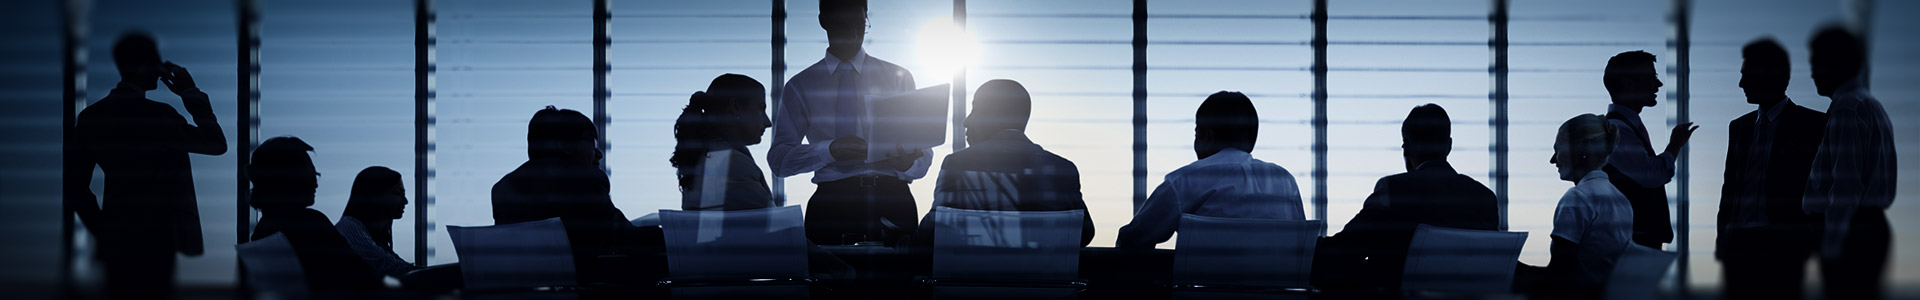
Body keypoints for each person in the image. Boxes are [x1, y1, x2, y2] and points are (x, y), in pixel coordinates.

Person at [64, 32, 227, 300]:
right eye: (156, 62)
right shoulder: (159, 116)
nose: (161, 70)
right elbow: (216, 144)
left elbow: (75, 187)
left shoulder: (91, 117)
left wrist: (104, 231)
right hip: (157, 236)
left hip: (117, 235)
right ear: (143, 65)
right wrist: (190, 93)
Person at [768, 0, 929, 245]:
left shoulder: (899, 77)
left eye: (861, 25)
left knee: (897, 280)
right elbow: (779, 161)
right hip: (831, 204)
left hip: (893, 199)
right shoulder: (800, 86)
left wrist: (908, 164)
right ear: (823, 22)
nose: (855, 34)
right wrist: (829, 150)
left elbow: (924, 156)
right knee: (829, 282)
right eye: (844, 25)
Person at [1314, 104, 1499, 290]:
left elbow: (1344, 252)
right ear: (1449, 146)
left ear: (1407, 146)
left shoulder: (1395, 190)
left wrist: (1301, 245)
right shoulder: (1485, 199)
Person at [907, 79, 1095, 249]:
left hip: (973, 284)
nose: (966, 121)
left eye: (975, 110)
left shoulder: (958, 164)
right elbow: (1084, 233)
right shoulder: (1062, 169)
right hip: (1040, 285)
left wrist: (897, 243)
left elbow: (931, 234)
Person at [1116, 91, 1304, 250]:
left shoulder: (1186, 180)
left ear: (1206, 136)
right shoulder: (1285, 181)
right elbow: (1302, 244)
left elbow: (1133, 240)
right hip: (1276, 293)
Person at [492, 106, 657, 285]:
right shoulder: (584, 180)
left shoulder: (502, 189)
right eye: (592, 144)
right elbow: (628, 239)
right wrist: (671, 236)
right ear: (567, 146)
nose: (599, 154)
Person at [1715, 38, 1826, 300]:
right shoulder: (1739, 127)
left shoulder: (1813, 124)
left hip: (1783, 247)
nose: (1741, 84)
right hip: (1739, 246)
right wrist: (1723, 238)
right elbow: (1730, 187)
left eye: (1746, 75)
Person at [1802, 25, 1895, 300]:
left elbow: (1845, 187)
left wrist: (1831, 247)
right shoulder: (1870, 105)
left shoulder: (1846, 108)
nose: (1812, 72)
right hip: (1866, 229)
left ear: (1836, 64)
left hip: (1852, 233)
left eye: (1817, 63)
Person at [247, 137, 384, 294]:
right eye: (311, 174)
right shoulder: (309, 223)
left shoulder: (261, 234)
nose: (316, 183)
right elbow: (365, 279)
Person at [1598, 50, 1697, 249]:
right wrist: (1675, 145)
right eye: (1652, 78)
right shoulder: (1618, 131)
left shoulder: (1625, 127)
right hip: (1632, 243)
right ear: (1629, 84)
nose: (1658, 85)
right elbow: (1651, 175)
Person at [1533, 114, 1633, 295]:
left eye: (1558, 149)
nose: (1553, 160)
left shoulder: (1578, 198)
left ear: (1584, 150)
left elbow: (1558, 277)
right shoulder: (1621, 200)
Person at [672, 74, 775, 211]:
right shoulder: (732, 164)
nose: (768, 123)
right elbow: (772, 225)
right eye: (761, 108)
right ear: (736, 107)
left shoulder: (706, 157)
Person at [335, 166, 418, 279]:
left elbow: (400, 267)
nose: (405, 201)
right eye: (398, 193)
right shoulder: (349, 227)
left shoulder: (373, 237)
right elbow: (394, 268)